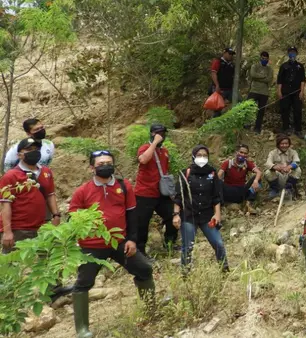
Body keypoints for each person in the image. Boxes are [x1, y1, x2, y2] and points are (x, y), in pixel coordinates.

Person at [70, 150, 155, 338]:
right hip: (91, 245)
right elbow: (73, 219)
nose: (105, 166)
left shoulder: (124, 187)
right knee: (84, 283)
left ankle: (151, 311)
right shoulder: (82, 191)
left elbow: (133, 215)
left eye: (108, 162)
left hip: (119, 242)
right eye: (100, 164)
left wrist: (132, 239)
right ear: (92, 167)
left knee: (143, 269)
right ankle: (82, 329)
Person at [173, 145, 227, 271]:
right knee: (188, 246)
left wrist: (217, 214)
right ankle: (185, 274)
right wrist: (175, 214)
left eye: (205, 155)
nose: (202, 158)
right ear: (193, 156)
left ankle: (225, 271)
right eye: (199, 155)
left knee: (218, 243)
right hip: (188, 215)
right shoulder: (185, 173)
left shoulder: (212, 173)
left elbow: (216, 197)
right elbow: (178, 197)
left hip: (207, 216)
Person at [0, 138, 60, 252]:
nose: (34, 151)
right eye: (29, 149)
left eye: (36, 149)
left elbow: (50, 194)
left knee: (43, 263)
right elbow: (5, 205)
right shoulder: (10, 176)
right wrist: (7, 232)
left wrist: (56, 215)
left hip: (43, 227)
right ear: (20, 155)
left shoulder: (46, 172)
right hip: (19, 229)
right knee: (14, 265)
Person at [134, 123, 178, 256]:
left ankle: (169, 243)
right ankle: (140, 251)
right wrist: (154, 143)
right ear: (152, 134)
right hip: (144, 193)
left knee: (172, 216)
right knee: (142, 223)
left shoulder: (164, 151)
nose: (161, 136)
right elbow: (143, 160)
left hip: (161, 193)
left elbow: (165, 170)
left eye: (163, 133)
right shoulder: (145, 147)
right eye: (158, 133)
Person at [219, 144, 263, 214]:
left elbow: (259, 172)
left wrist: (255, 181)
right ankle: (220, 208)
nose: (243, 155)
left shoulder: (247, 164)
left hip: (241, 193)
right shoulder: (228, 163)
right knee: (217, 182)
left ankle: (248, 205)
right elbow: (219, 174)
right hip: (228, 192)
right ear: (236, 152)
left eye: (245, 153)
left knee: (257, 178)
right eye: (241, 152)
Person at [277, 45, 306, 136]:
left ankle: (298, 130)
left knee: (297, 110)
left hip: (297, 92)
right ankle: (286, 128)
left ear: (296, 54)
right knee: (285, 110)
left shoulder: (300, 66)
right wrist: (279, 91)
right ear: (288, 53)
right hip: (285, 91)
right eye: (290, 52)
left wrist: (302, 91)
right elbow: (279, 80)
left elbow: (303, 80)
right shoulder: (283, 66)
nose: (292, 54)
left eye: (294, 52)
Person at [265, 135, 301, 200]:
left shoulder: (293, 152)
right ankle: (275, 190)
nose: (284, 145)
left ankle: (289, 189)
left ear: (289, 144)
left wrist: (289, 167)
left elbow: (297, 162)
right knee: (268, 172)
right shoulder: (272, 153)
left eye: (286, 143)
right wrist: (276, 167)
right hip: (278, 176)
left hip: (289, 175)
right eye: (282, 144)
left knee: (298, 169)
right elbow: (268, 163)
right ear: (278, 144)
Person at [247, 51, 274, 134]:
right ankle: (246, 124)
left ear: (268, 59)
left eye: (266, 59)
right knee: (248, 108)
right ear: (260, 58)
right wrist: (263, 76)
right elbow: (252, 75)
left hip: (264, 93)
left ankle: (257, 128)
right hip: (254, 90)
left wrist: (258, 78)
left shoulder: (270, 69)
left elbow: (269, 79)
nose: (264, 60)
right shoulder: (255, 66)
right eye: (263, 58)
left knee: (261, 111)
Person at [209, 47, 236, 117]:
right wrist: (217, 85)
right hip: (220, 89)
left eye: (232, 54)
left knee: (238, 101)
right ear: (224, 53)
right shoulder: (218, 62)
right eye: (229, 53)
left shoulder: (232, 65)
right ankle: (214, 125)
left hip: (229, 89)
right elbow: (213, 73)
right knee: (217, 109)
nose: (231, 55)